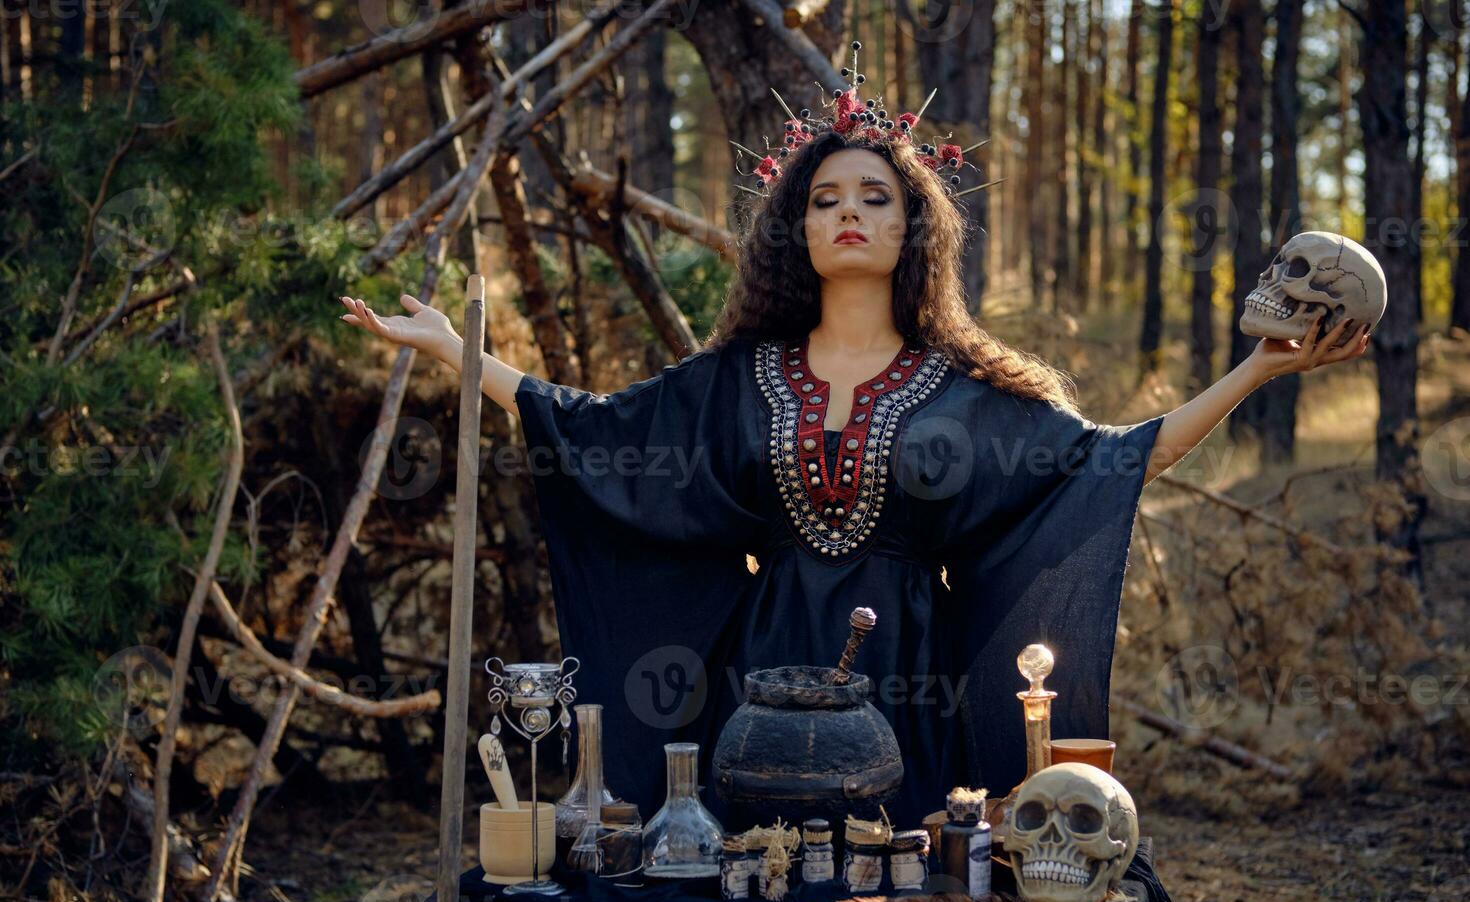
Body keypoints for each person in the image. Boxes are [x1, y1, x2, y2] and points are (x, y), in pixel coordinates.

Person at [339, 112, 1369, 831]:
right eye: (826, 197)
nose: (848, 212)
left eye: (874, 197)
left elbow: (1110, 461)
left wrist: (1255, 369)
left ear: (911, 226)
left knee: (894, 888)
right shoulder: (741, 379)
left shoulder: (964, 388)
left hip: (916, 682)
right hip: (762, 670)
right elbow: (600, 434)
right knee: (765, 879)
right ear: (798, 228)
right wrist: (455, 353)